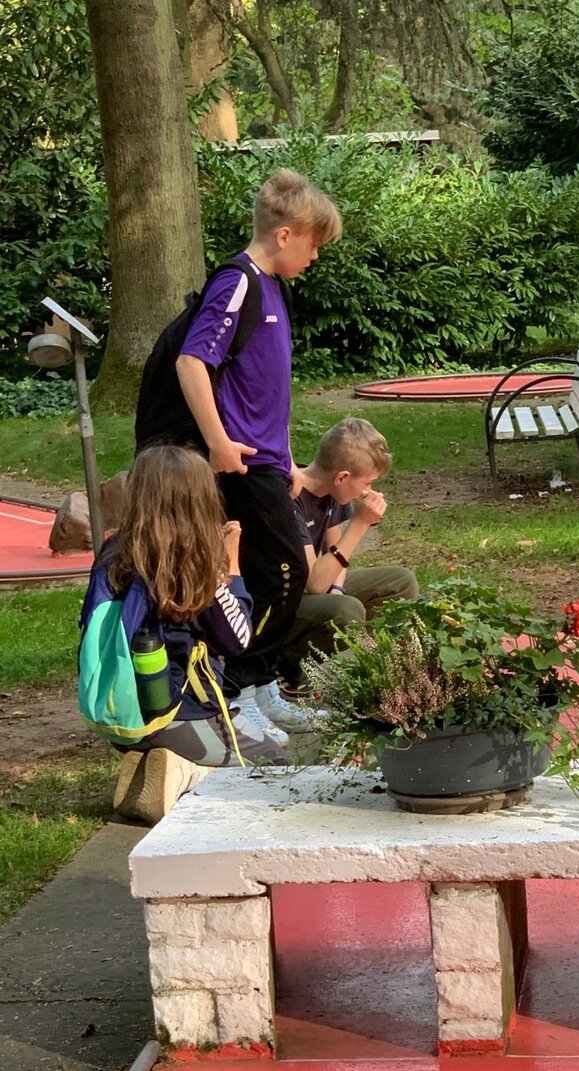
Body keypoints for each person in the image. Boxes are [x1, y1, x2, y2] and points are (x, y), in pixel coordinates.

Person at [176, 168, 342, 742]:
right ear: (285, 234)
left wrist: (289, 457)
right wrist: (219, 442)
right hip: (241, 463)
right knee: (287, 573)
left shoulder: (276, 288)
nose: (315, 257)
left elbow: (269, 387)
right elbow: (192, 361)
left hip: (270, 460)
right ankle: (240, 687)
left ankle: (259, 685)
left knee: (273, 576)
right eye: (313, 245)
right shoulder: (238, 282)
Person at [90, 446, 289, 823]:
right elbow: (238, 639)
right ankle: (189, 773)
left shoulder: (113, 553)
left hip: (119, 710)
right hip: (179, 714)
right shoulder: (193, 565)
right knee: (276, 765)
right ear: (200, 501)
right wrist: (231, 567)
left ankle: (148, 761)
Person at [277, 417, 419, 687]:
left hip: (309, 591)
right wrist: (360, 524)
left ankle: (378, 662)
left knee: (401, 582)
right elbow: (315, 582)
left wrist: (338, 589)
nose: (368, 491)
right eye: (367, 483)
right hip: (280, 602)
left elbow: (334, 554)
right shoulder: (291, 498)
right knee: (346, 610)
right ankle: (288, 664)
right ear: (342, 477)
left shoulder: (331, 492)